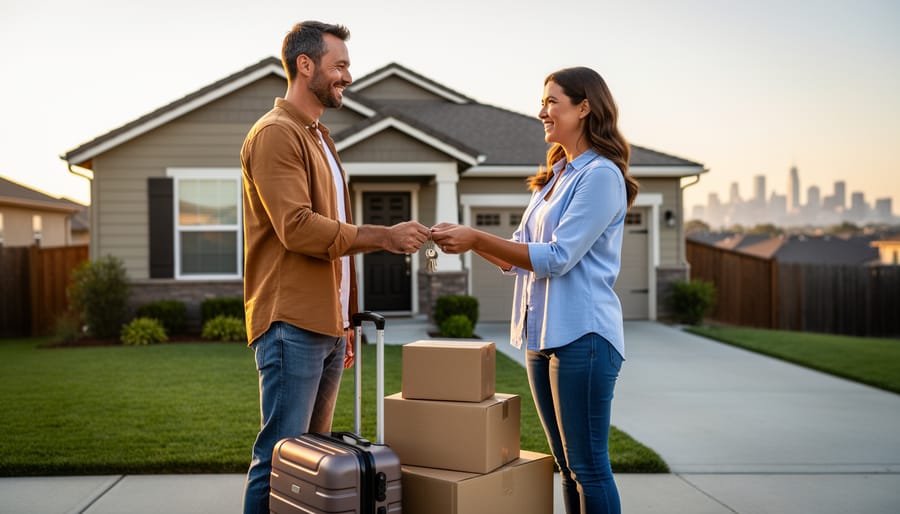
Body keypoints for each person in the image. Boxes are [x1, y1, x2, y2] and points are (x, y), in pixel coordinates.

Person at [239, 21, 430, 514]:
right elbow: (298, 228)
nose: (348, 74)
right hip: (290, 323)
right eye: (339, 64)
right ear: (306, 66)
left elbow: (335, 234)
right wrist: (384, 236)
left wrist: (344, 318)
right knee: (280, 458)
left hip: (324, 325)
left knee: (311, 461)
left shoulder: (320, 138)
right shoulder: (276, 135)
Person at [431, 66, 638, 514]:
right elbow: (517, 256)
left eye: (551, 102)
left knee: (588, 467)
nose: (541, 111)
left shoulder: (600, 176)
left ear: (584, 108)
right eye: (542, 102)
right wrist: (465, 239)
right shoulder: (555, 177)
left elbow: (558, 257)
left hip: (584, 337)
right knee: (566, 466)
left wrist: (477, 237)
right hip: (541, 338)